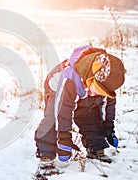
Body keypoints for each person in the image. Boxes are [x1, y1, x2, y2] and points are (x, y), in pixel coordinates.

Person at [34, 45, 126, 177]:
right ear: (92, 77)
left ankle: (95, 147)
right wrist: (64, 136)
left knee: (90, 115)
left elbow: (108, 104)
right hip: (58, 91)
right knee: (52, 119)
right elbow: (62, 110)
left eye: (103, 92)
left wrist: (108, 126)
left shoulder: (105, 80)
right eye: (99, 90)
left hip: (83, 90)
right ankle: (46, 156)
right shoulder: (68, 78)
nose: (98, 94)